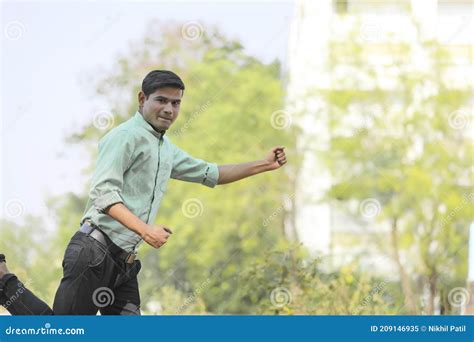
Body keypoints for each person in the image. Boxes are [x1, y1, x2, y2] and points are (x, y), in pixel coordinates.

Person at [0, 70, 287, 315]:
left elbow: (211, 173)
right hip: (92, 253)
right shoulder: (124, 137)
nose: (169, 109)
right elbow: (103, 194)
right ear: (142, 99)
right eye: (161, 100)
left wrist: (264, 164)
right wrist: (146, 231)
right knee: (63, 334)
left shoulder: (165, 149)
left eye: (176, 103)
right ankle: (5, 284)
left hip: (124, 264)